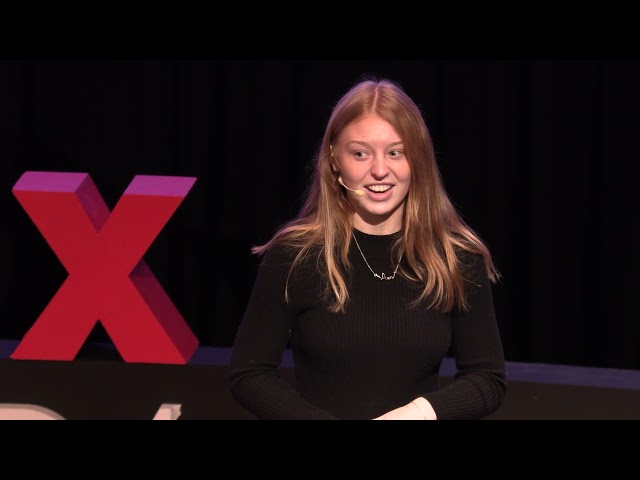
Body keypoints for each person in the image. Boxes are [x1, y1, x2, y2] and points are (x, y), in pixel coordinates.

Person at [228, 77, 507, 420]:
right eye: (360, 153)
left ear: (417, 158)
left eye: (395, 152)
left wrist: (416, 414)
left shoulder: (456, 257)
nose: (379, 170)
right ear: (335, 159)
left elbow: (487, 379)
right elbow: (249, 372)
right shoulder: (295, 255)